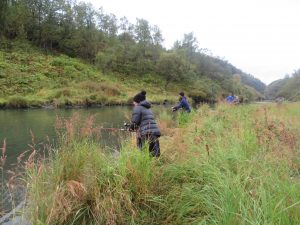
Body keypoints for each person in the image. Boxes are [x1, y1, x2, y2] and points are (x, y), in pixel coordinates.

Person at [129, 91, 161, 157]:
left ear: (137, 101)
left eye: (134, 101)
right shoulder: (148, 108)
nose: (133, 103)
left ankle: (143, 165)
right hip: (155, 133)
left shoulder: (137, 108)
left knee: (142, 152)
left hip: (146, 133)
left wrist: (130, 128)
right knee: (155, 153)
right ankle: (156, 165)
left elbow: (134, 122)